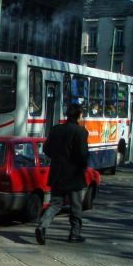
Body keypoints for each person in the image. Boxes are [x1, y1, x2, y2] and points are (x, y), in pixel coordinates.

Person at [35, 103, 89, 245]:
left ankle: (42, 226)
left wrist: (58, 158)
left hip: (57, 172)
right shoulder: (81, 132)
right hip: (74, 174)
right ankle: (74, 234)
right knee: (76, 205)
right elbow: (83, 154)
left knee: (55, 203)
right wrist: (80, 166)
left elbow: (46, 149)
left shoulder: (56, 129)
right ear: (78, 115)